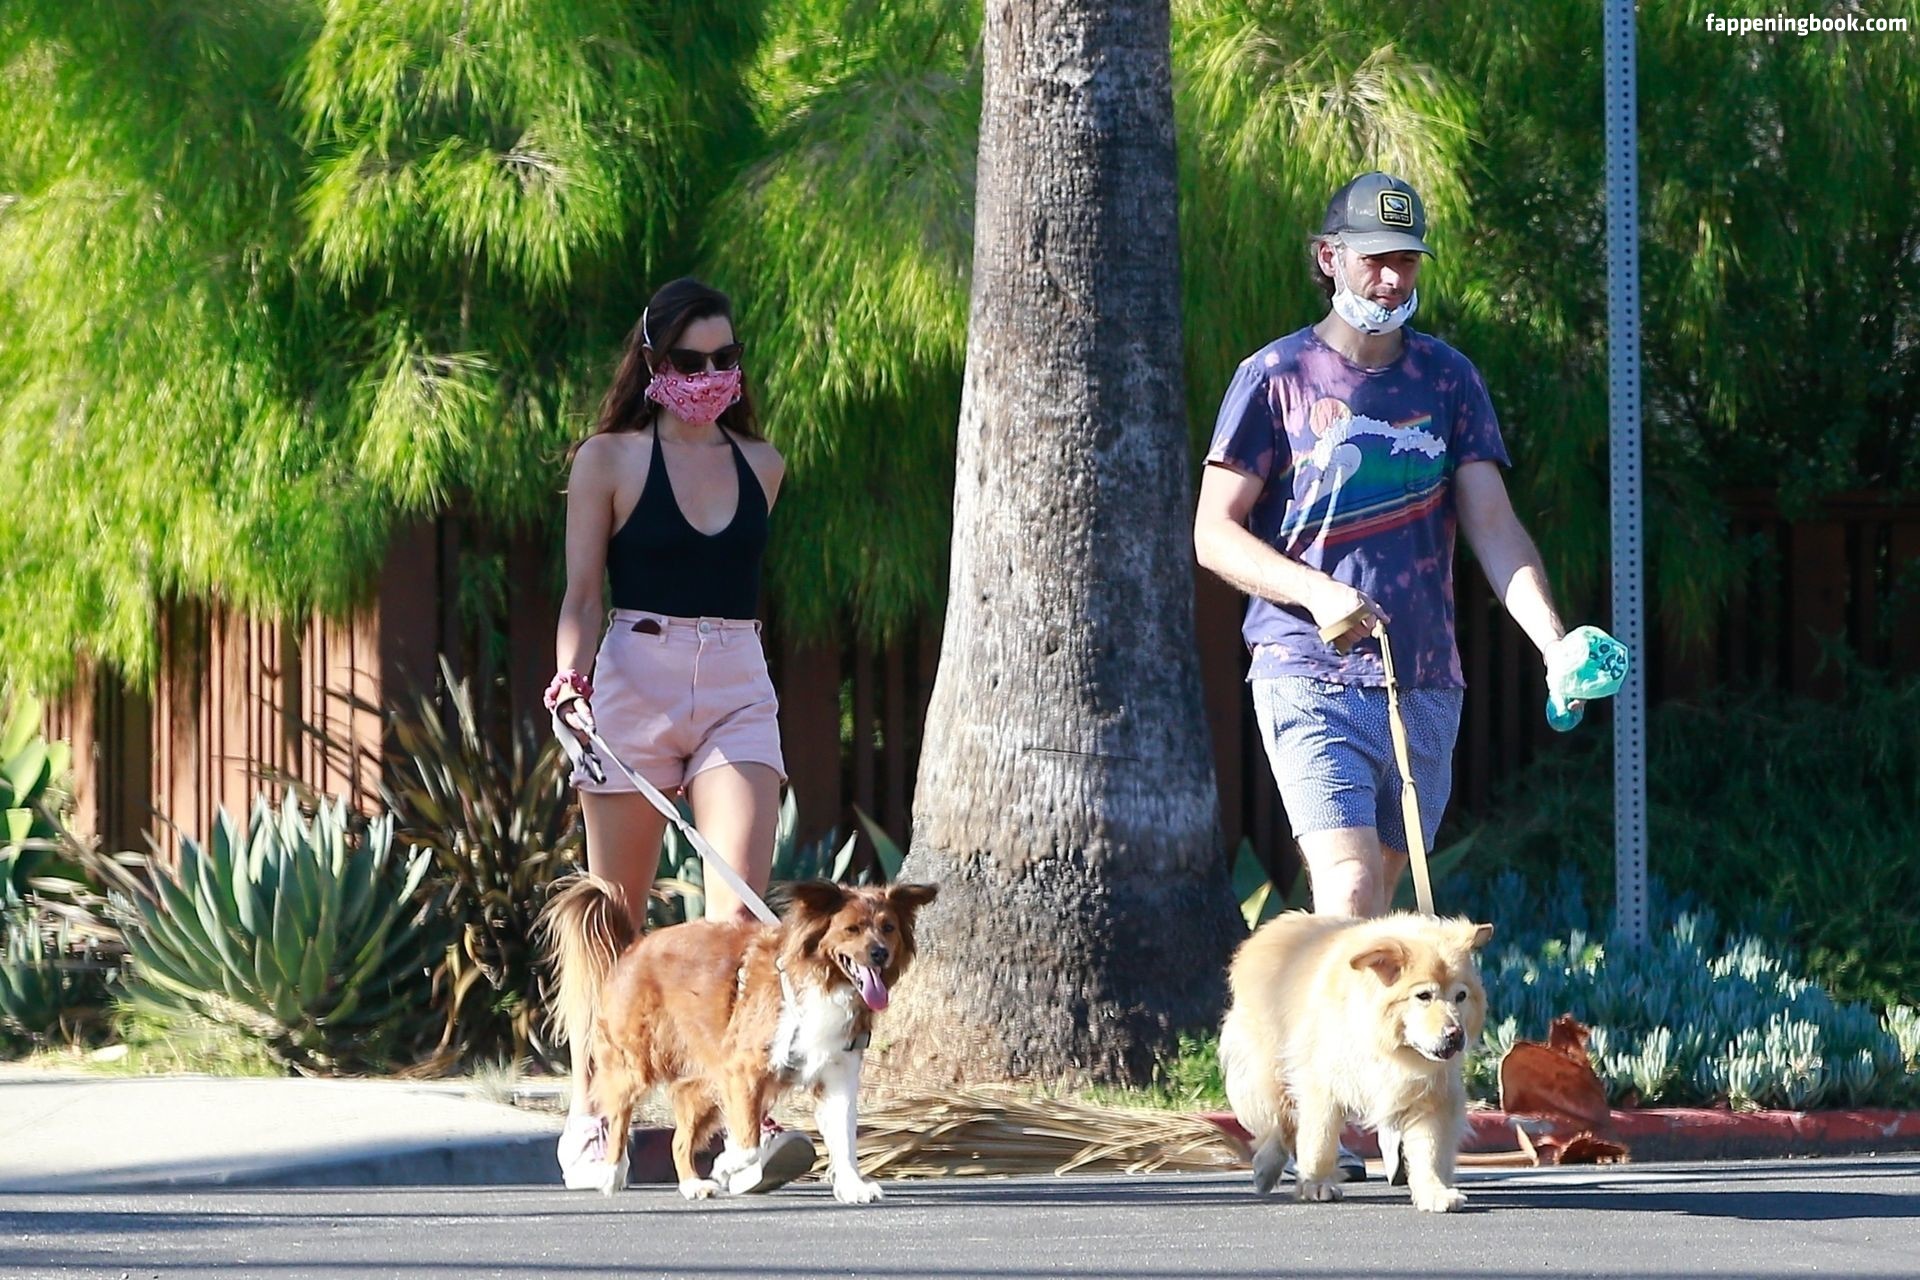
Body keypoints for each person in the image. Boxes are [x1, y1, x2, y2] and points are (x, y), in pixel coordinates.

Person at [1193, 173, 1577, 1180]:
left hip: (1424, 682)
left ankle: (1338, 1087)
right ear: (1331, 259)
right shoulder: (1274, 376)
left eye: (1407, 260)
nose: (1393, 277)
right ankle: (1344, 1112)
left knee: (1388, 910)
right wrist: (1314, 591)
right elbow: (1213, 533)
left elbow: (1494, 527)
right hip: (1305, 668)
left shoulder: (1449, 381)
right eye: (1375, 259)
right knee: (1352, 886)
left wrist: (1552, 641)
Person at [544, 276, 813, 1192]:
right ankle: (594, 1110)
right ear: (653, 362)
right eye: (691, 361)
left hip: (737, 681)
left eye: (725, 359)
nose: (710, 376)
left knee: (737, 918)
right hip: (633, 678)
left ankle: (741, 1123)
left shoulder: (762, 464)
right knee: (615, 919)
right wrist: (571, 680)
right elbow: (584, 595)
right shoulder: (610, 460)